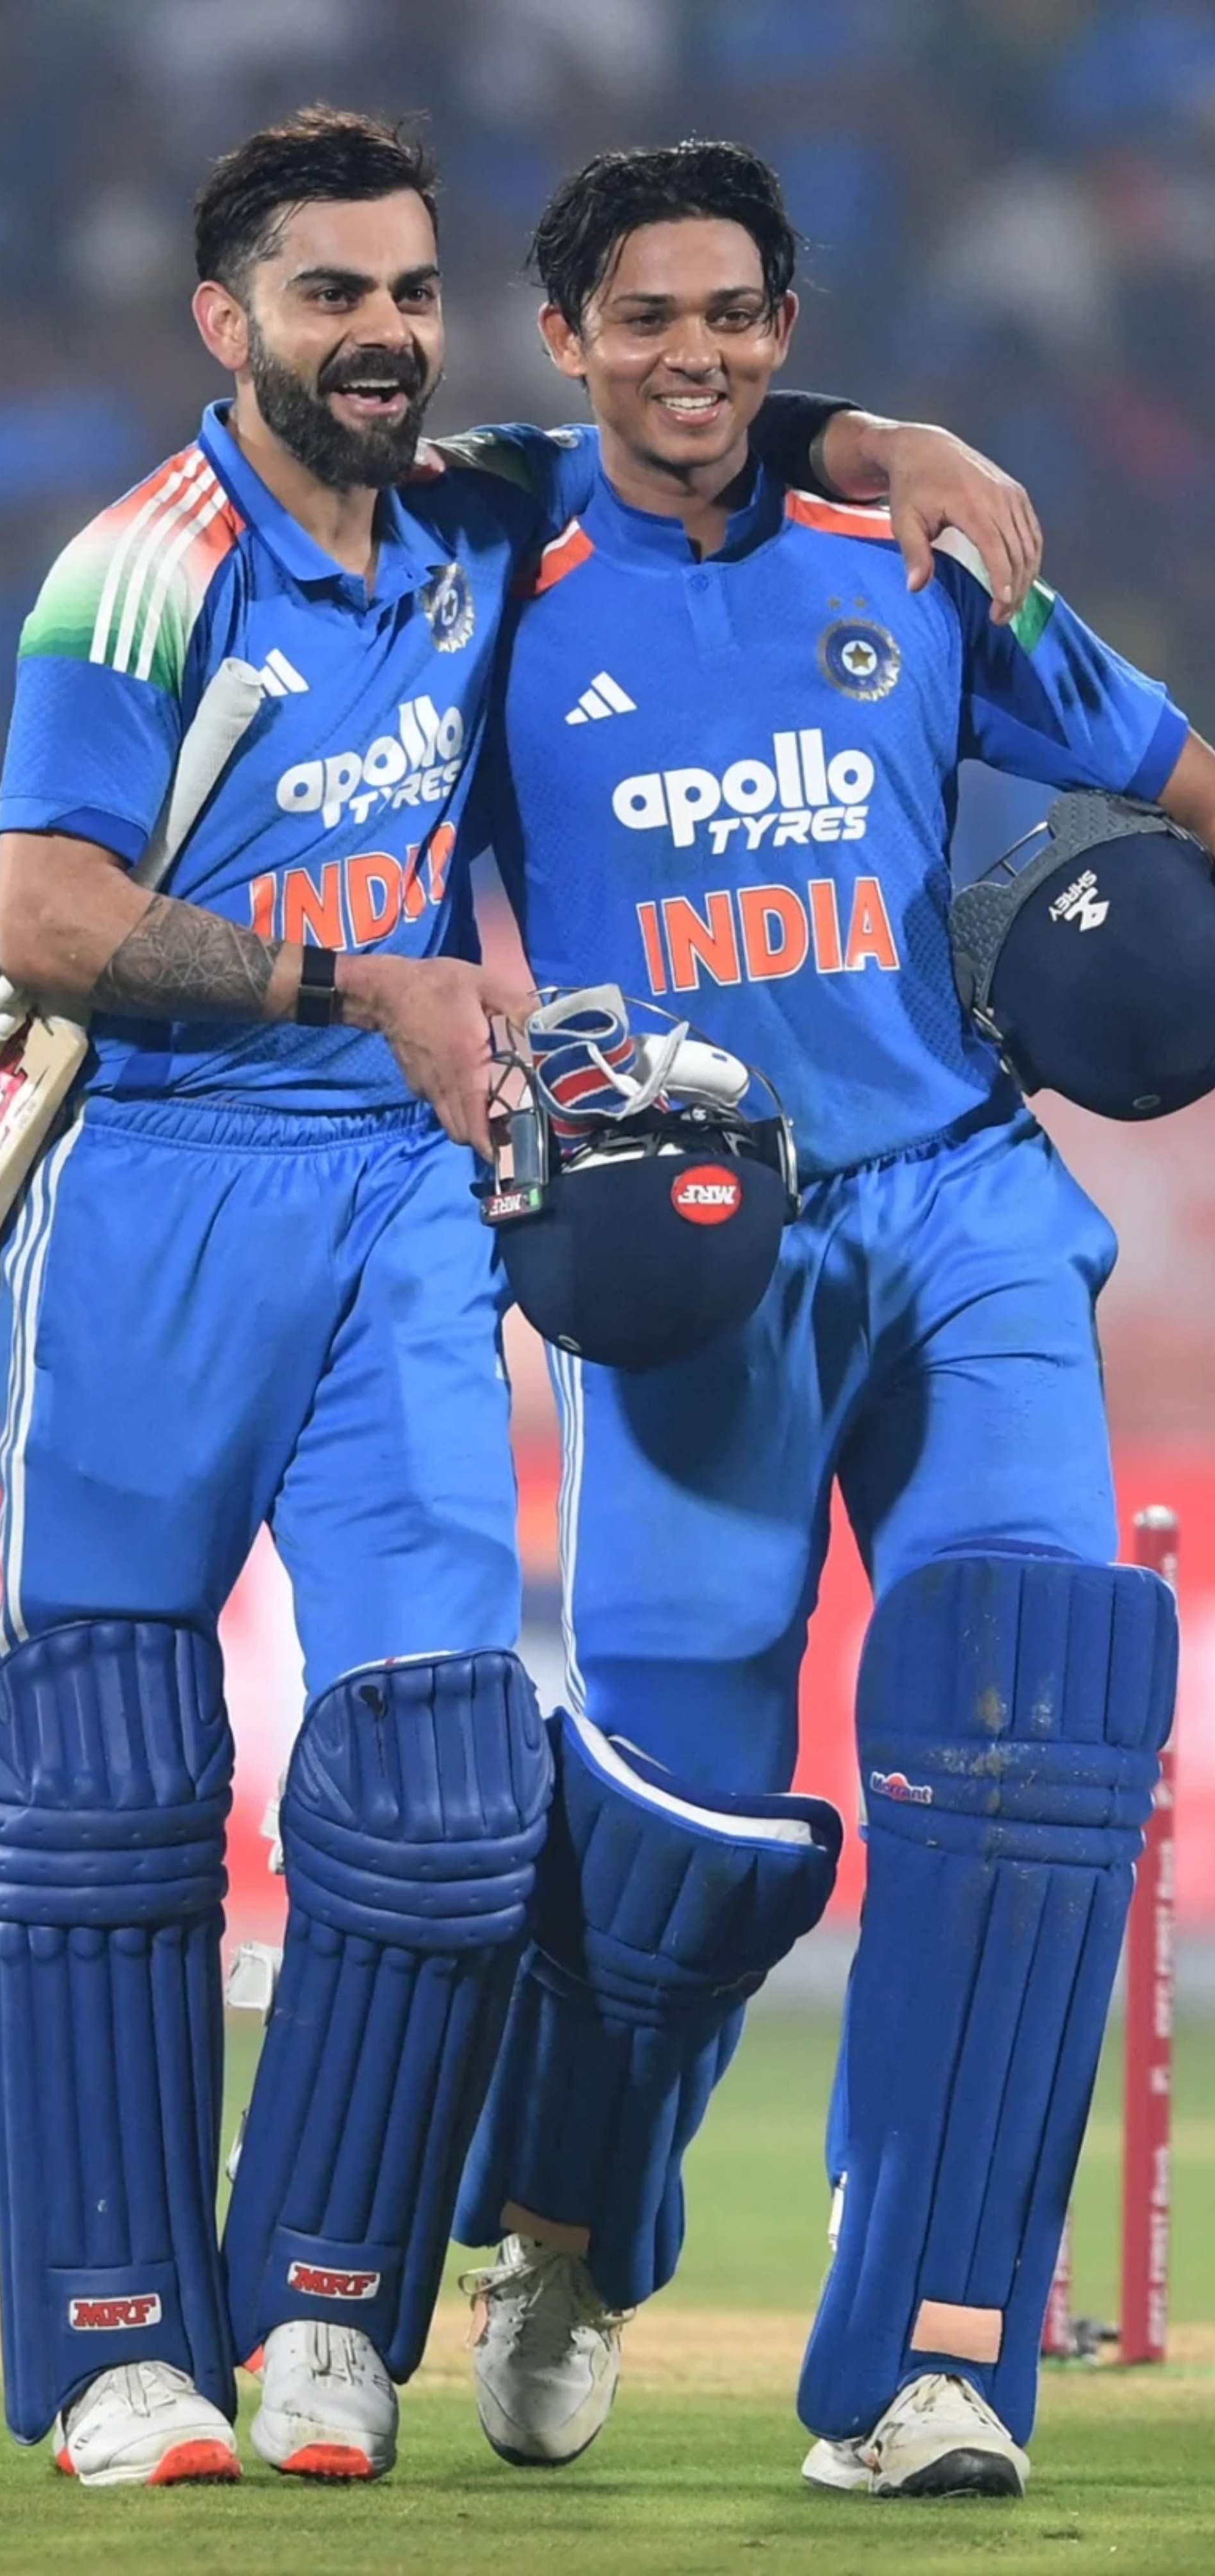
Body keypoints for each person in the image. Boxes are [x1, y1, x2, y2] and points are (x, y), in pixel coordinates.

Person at [0, 105, 1038, 2493]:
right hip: (156, 1196)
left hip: (410, 1202)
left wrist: (900, 434)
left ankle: (330, 2316)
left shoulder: (470, 502)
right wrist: (369, 991)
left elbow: (697, 400)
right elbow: (41, 915)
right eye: (331, 295)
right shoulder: (134, 574)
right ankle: (123, 2346)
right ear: (224, 318)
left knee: (440, 1792)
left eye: (411, 291)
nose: (382, 335)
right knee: (109, 1785)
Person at [451, 139, 1215, 2499]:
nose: (702, 358)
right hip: (691, 1242)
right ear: (566, 336)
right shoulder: (488, 579)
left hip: (967, 1210)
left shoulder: (920, 555)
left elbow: (1175, 773)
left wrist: (882, 456)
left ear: (789, 332)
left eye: (744, 320)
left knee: (1024, 1763)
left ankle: (933, 2350)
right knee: (673, 1835)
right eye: (649, 319)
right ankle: (571, 2233)